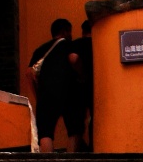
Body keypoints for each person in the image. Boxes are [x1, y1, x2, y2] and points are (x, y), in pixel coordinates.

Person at [26, 18, 86, 154]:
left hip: (46, 93)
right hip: (70, 91)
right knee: (74, 129)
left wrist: (38, 95)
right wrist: (82, 75)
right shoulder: (69, 45)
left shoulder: (40, 50)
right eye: (69, 31)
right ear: (65, 31)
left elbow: (29, 73)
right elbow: (74, 59)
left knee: (45, 132)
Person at [71, 19, 94, 151]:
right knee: (95, 117)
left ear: (83, 31)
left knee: (78, 120)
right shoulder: (101, 42)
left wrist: (81, 72)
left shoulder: (77, 44)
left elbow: (73, 58)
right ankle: (94, 146)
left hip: (78, 85)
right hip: (97, 85)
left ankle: (76, 149)